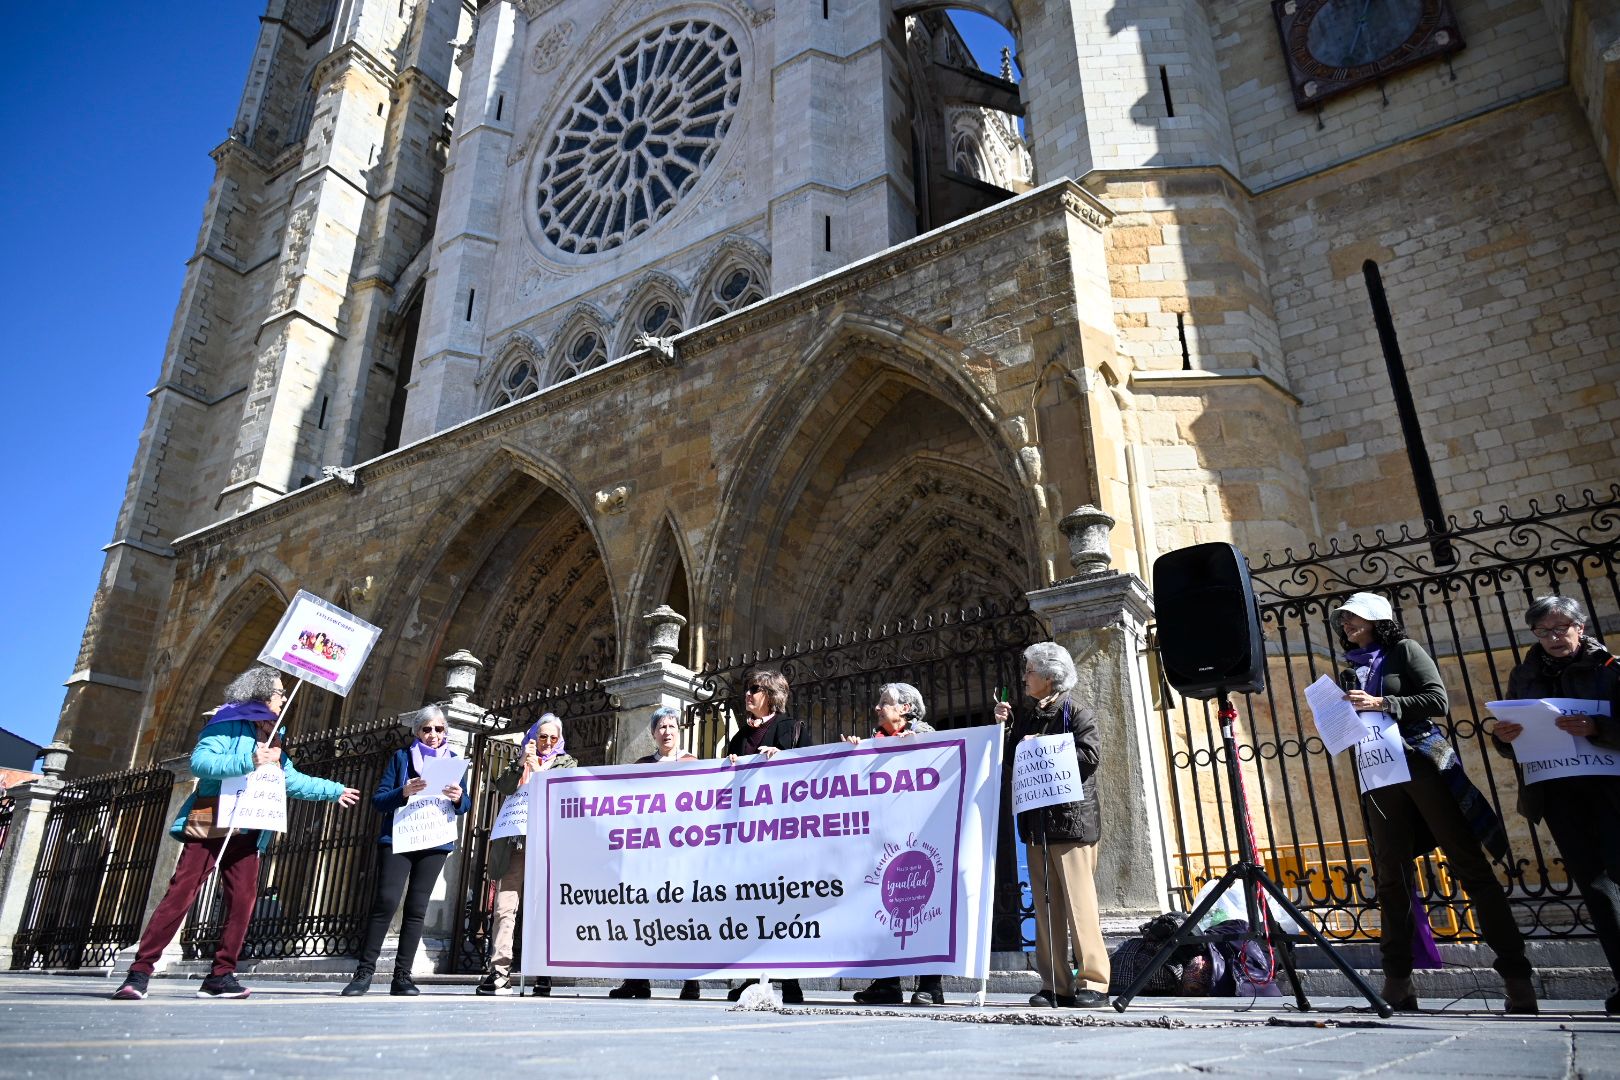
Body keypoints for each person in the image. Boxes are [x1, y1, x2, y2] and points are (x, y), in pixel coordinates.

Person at [1332, 591, 1538, 1014]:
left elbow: (1437, 700)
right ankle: (1398, 981)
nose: (1347, 625)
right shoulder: (1348, 671)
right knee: (1391, 874)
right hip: (1378, 773)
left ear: (1377, 620)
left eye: (1354, 618)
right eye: (1343, 620)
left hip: (1422, 764)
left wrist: (1383, 702)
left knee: (1468, 864)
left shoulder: (1404, 651)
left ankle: (1517, 979)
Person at [112, 667, 360, 1000]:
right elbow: (202, 763)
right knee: (182, 891)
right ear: (260, 695)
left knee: (243, 900)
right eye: (278, 692)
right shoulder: (226, 722)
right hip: (212, 814)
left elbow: (290, 780)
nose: (284, 698)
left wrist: (334, 790)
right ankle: (139, 971)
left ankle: (221, 975)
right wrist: (249, 759)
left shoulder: (274, 733)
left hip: (251, 823)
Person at [1487, 595, 1620, 1015]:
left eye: (1561, 627)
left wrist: (1597, 727)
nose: (1554, 637)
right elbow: (1516, 740)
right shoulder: (1524, 677)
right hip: (1559, 791)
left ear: (1581, 627)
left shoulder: (1611, 670)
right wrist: (1503, 737)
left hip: (1611, 789)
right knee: (1597, 889)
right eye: (1544, 631)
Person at [994, 643, 1109, 1008]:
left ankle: (1094, 982)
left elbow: (1089, 757)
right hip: (1037, 826)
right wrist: (1006, 727)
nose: (1024, 676)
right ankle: (1055, 984)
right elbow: (1011, 758)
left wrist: (1041, 745)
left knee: (1080, 906)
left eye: (1029, 670)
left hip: (1072, 825)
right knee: (1046, 909)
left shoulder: (1075, 712)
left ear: (1048, 675)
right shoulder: (1028, 716)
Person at [341, 706, 472, 996]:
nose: (434, 734)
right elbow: (379, 800)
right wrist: (403, 791)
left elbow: (465, 807)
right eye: (427, 729)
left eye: (439, 729)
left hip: (434, 841)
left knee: (417, 908)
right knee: (386, 901)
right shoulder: (401, 758)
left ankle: (402, 976)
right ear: (417, 732)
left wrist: (459, 796)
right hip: (399, 839)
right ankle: (364, 973)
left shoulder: (452, 762)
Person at [845, 682, 947, 1006]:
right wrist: (850, 756)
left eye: (885, 703)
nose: (877, 708)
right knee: (881, 911)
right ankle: (887, 983)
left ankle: (930, 984)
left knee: (925, 909)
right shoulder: (874, 743)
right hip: (883, 843)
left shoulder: (930, 735)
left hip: (922, 841)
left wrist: (921, 745)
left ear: (905, 709)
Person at [724, 668, 808, 1004]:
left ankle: (791, 983)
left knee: (785, 910)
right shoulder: (738, 737)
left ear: (772, 694)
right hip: (748, 837)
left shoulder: (793, 729)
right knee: (752, 909)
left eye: (755, 689)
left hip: (784, 835)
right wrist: (727, 765)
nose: (748, 695)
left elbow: (812, 772)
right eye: (747, 689)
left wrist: (786, 759)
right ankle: (751, 979)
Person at [477, 713, 577, 996]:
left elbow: (568, 792)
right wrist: (522, 764)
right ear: (533, 737)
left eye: (552, 738)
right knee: (505, 908)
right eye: (541, 736)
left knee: (541, 910)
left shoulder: (567, 763)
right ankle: (499, 971)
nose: (546, 742)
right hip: (514, 844)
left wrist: (541, 773)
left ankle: (543, 973)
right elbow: (503, 787)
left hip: (547, 846)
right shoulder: (517, 763)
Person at [609, 706, 703, 1001]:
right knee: (641, 914)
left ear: (679, 731)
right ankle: (637, 980)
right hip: (648, 854)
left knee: (685, 915)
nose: (667, 732)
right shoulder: (641, 765)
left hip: (682, 853)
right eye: (661, 727)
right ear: (653, 734)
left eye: (672, 727)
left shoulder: (693, 763)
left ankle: (692, 981)